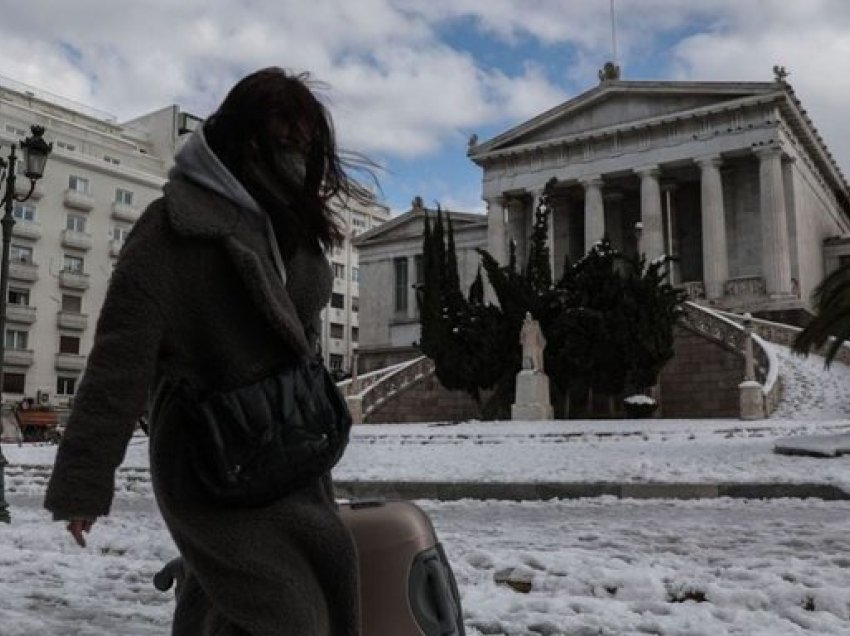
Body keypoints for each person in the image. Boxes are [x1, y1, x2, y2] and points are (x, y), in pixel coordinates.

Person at [44, 67, 374, 635]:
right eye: (284, 142)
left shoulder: (289, 224)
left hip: (288, 448)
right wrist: (83, 485)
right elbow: (117, 366)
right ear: (245, 139)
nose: (297, 158)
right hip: (211, 457)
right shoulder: (172, 228)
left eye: (305, 145)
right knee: (285, 612)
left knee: (296, 581)